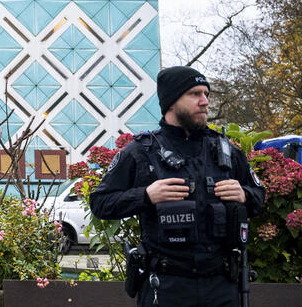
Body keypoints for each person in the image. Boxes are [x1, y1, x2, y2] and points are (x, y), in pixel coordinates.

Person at [90, 66, 266, 307]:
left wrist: (244, 194)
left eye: (206, 93)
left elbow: (259, 196)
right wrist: (145, 196)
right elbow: (100, 203)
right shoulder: (141, 152)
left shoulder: (227, 151)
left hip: (221, 285)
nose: (204, 101)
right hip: (166, 286)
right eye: (195, 94)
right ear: (171, 101)